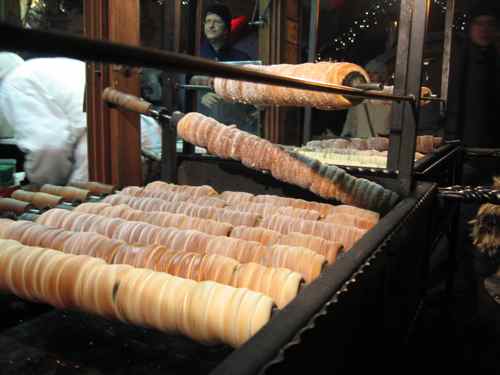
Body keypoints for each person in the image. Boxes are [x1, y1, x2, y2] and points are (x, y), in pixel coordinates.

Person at [0, 53, 162, 185]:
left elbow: (48, 145)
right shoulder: (37, 68)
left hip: (103, 148)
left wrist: (43, 187)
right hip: (139, 133)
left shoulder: (13, 84)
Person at [197, 4, 259, 134]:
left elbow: (251, 90)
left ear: (226, 29)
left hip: (236, 127)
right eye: (208, 21)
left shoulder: (242, 59)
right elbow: (181, 89)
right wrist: (200, 95)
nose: (211, 26)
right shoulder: (194, 57)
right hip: (202, 126)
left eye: (217, 22)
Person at [341, 58, 393, 138]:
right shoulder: (358, 98)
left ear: (382, 76)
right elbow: (350, 123)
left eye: (375, 73)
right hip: (362, 144)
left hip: (383, 145)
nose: (370, 75)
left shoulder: (390, 97)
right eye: (368, 72)